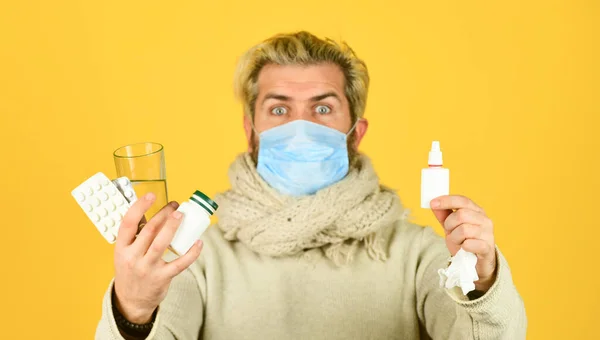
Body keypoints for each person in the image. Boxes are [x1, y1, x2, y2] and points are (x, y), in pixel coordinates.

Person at [95, 31, 527, 340]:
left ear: (355, 133)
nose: (301, 127)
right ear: (251, 132)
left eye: (322, 108)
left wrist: (481, 279)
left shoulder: (418, 255)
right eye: (279, 111)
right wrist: (133, 309)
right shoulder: (193, 253)